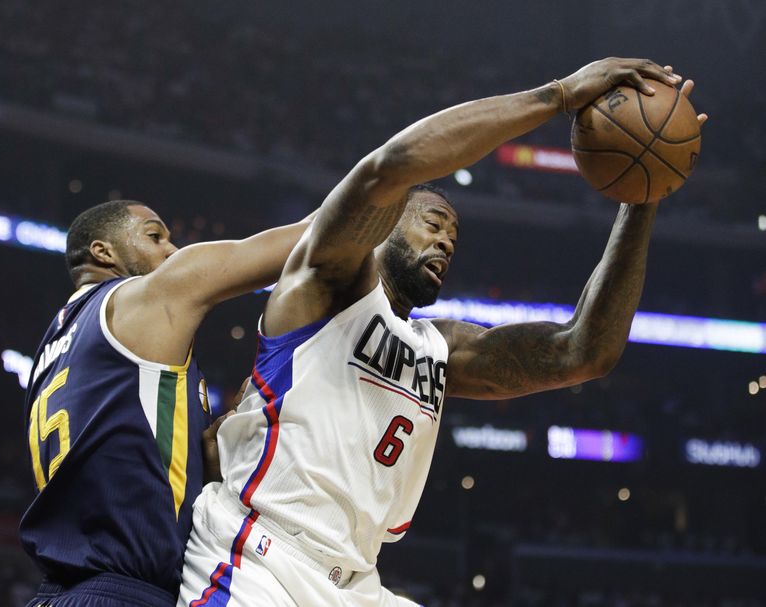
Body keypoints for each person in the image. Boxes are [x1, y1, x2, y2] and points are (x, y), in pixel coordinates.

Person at [179, 58, 708, 606]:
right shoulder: (325, 285)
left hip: (356, 581)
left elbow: (584, 351)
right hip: (260, 557)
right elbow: (389, 168)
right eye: (432, 223)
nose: (446, 243)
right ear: (383, 226)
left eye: (452, 238)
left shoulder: (442, 346)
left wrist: (641, 203)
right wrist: (558, 96)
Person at [21, 200, 314, 607]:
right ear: (103, 252)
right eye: (154, 236)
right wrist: (390, 190)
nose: (171, 250)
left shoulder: (53, 346)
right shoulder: (139, 301)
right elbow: (304, 241)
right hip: (125, 592)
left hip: (58, 593)